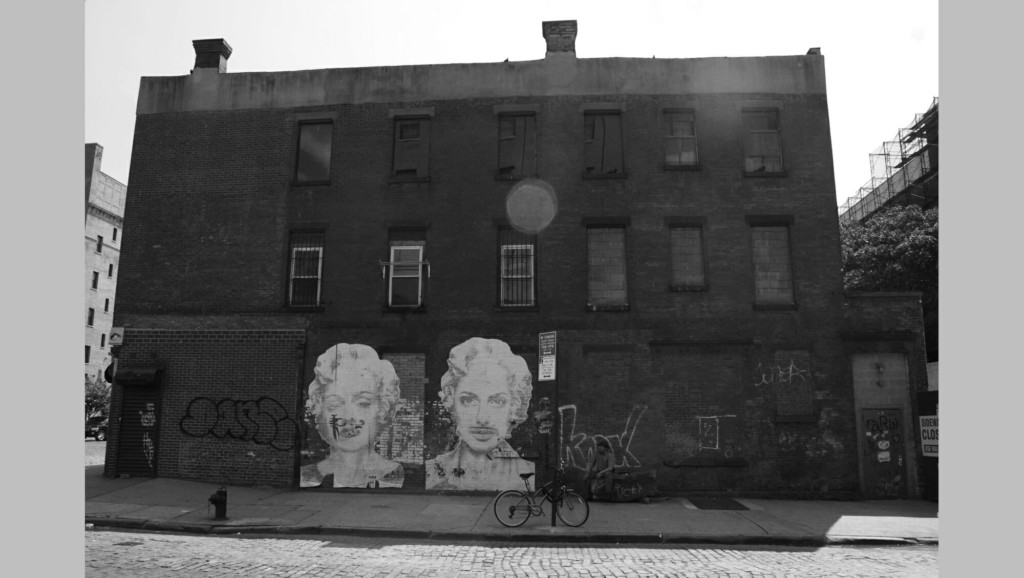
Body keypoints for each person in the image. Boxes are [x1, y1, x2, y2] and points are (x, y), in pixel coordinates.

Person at [425, 337, 534, 491]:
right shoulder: (434, 471)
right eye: (468, 400)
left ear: (514, 407)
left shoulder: (527, 473)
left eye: (497, 401)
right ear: (452, 403)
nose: (482, 418)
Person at [301, 343, 405, 488]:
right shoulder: (306, 476)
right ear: (320, 410)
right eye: (334, 404)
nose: (348, 416)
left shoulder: (394, 475)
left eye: (363, 403)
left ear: (382, 409)